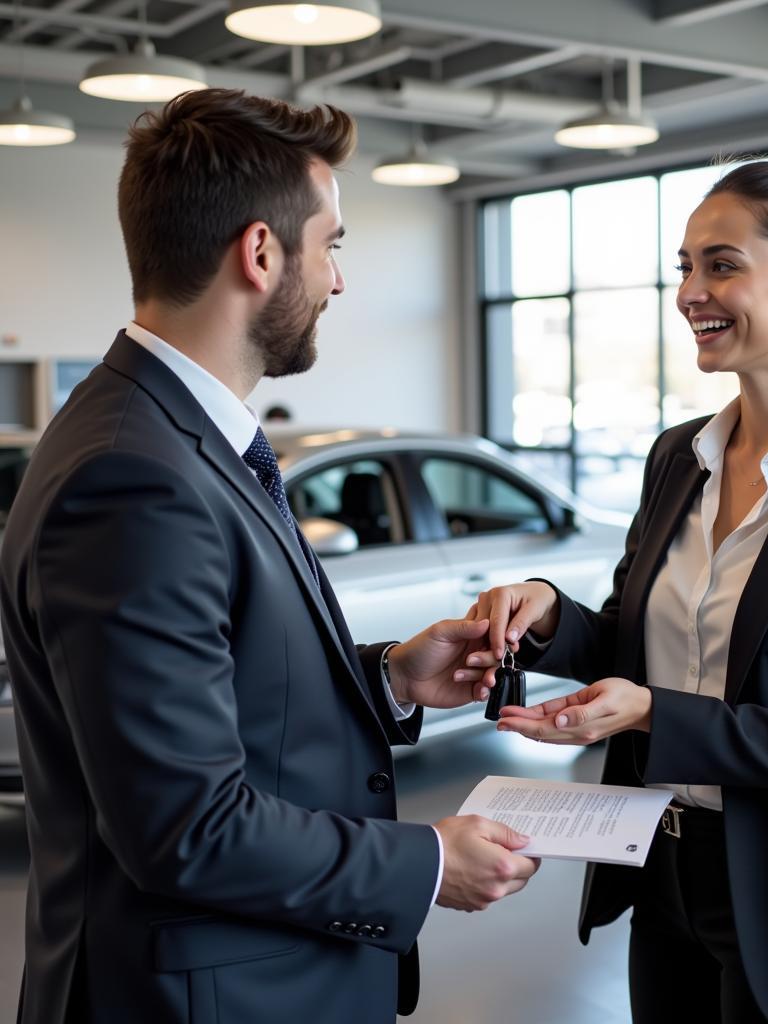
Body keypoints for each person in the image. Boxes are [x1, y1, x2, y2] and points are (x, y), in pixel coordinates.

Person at [0, 88, 537, 1024]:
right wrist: (432, 860)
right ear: (260, 253)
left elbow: (234, 701)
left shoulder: (174, 437)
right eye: (332, 245)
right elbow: (186, 827)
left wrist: (391, 680)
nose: (338, 281)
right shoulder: (133, 473)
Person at [467, 161, 768, 1024]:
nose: (691, 292)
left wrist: (655, 713)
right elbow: (638, 637)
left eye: (722, 265)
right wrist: (550, 617)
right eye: (684, 266)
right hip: (662, 865)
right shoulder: (679, 457)